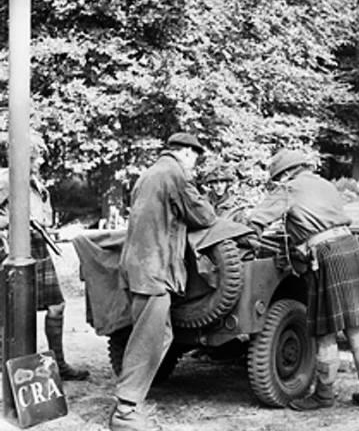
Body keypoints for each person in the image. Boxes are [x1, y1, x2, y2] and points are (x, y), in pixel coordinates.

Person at [248, 148, 359, 412]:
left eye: (278, 178)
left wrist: (248, 232)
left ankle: (324, 397)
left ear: (286, 173)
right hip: (352, 248)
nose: (278, 183)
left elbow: (256, 220)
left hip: (327, 257)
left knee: (325, 333)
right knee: (355, 330)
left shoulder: (289, 189)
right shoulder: (324, 184)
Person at [109, 132, 217, 431]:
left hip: (138, 266)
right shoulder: (174, 175)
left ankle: (130, 400)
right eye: (195, 157)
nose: (194, 163)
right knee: (149, 338)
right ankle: (125, 412)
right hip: (153, 268)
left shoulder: (149, 174)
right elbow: (204, 216)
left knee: (160, 335)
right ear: (185, 153)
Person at [0, 133, 89, 381]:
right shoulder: (6, 180)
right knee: (11, 310)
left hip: (38, 247)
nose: (39, 161)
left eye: (38, 156)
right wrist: (12, 222)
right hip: (15, 249)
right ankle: (8, 370)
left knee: (56, 306)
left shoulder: (35, 183)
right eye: (34, 156)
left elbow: (42, 216)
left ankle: (58, 363)